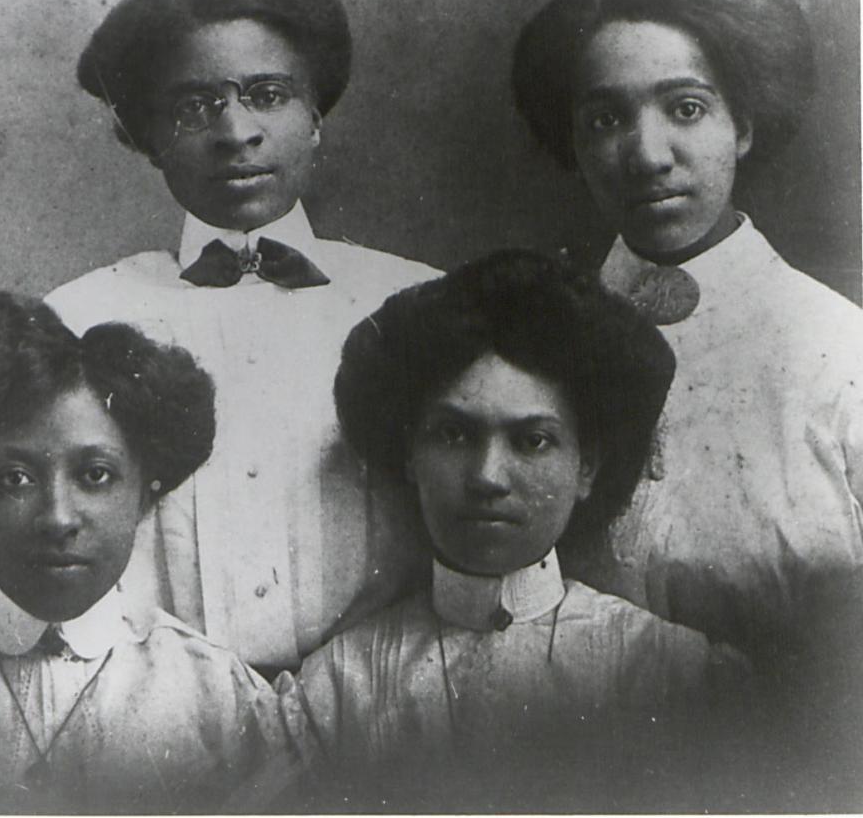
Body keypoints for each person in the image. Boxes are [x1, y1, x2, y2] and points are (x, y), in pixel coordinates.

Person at [45, 0, 441, 674]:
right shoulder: (77, 320)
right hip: (161, 723)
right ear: (150, 139)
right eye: (194, 107)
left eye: (267, 94)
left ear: (316, 116)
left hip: (383, 713)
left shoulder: (417, 305)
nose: (236, 133)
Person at [278, 250, 745, 811]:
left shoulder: (672, 675)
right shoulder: (337, 692)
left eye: (532, 440)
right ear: (408, 456)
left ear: (587, 468)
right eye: (452, 434)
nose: (486, 478)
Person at [0, 292, 294, 813]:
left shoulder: (221, 699)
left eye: (95, 475)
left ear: (146, 495)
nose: (58, 517)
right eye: (15, 479)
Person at [511, 0, 863, 672]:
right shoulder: (525, 345)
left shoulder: (841, 352)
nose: (646, 155)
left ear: (744, 126)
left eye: (687, 109)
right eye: (606, 118)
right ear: (573, 143)